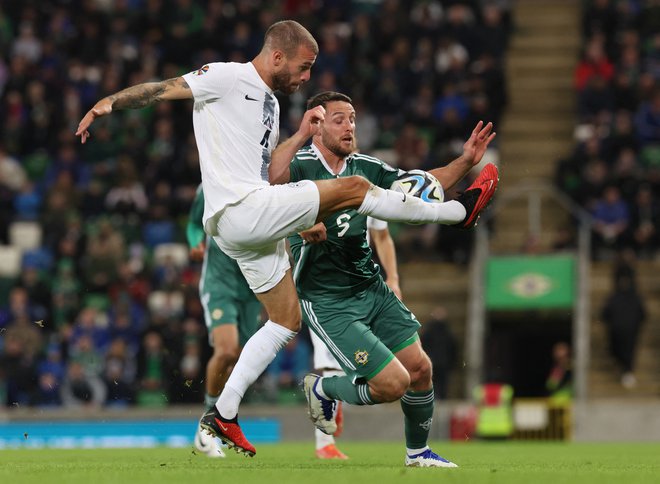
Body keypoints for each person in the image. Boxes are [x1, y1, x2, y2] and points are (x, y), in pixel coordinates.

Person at [76, 20, 498, 456]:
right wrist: (109, 103)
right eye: (304, 67)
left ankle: (221, 415)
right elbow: (163, 88)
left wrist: (298, 145)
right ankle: (457, 213)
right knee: (354, 190)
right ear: (277, 56)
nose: (307, 77)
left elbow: (271, 176)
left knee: (285, 320)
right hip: (238, 210)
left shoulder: (272, 107)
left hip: (247, 227)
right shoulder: (225, 76)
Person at [284, 91, 497, 467]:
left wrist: (465, 161)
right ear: (316, 125)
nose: (350, 125)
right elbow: (262, 200)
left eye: (352, 118)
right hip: (328, 298)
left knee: (420, 370)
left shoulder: (365, 166)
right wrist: (299, 224)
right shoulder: (297, 166)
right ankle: (323, 388)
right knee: (391, 384)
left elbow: (419, 187)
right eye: (339, 119)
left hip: (370, 287)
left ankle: (417, 453)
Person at [306, 216, 401, 460]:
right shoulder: (316, 185)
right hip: (323, 291)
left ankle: (335, 398)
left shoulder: (367, 188)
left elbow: (381, 235)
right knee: (330, 363)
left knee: (363, 365)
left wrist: (393, 278)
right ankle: (324, 442)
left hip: (363, 289)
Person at [187, 184, 262, 458]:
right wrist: (195, 242)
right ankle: (206, 422)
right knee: (227, 350)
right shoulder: (210, 184)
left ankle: (221, 419)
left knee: (240, 358)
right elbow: (195, 224)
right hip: (219, 284)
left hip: (252, 286)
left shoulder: (262, 181)